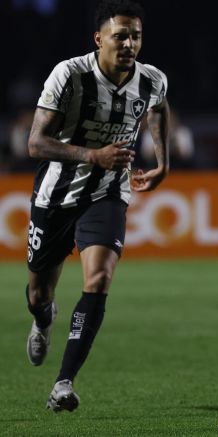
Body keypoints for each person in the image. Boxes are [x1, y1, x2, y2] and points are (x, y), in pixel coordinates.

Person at [24, 0, 169, 412]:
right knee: (38, 292)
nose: (128, 44)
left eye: (135, 36)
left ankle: (63, 383)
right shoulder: (69, 75)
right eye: (119, 35)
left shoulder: (152, 79)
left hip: (108, 193)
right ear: (99, 38)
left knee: (100, 278)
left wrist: (163, 162)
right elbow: (34, 143)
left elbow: (159, 110)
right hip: (57, 196)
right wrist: (92, 156)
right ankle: (41, 318)